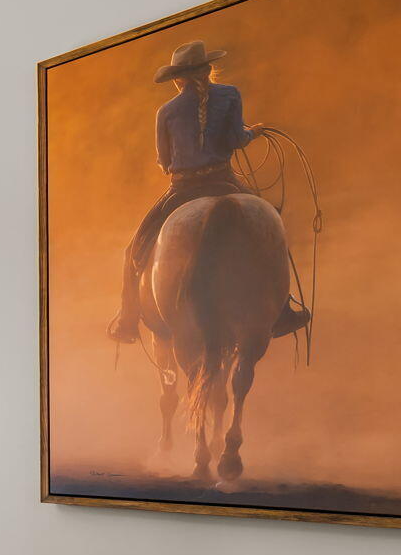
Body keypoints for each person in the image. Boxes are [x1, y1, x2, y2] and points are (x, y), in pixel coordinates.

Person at [109, 39, 309, 342]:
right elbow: (236, 140)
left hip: (183, 188)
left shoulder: (166, 110)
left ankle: (127, 320)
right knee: (271, 228)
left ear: (178, 79)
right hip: (224, 180)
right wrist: (254, 132)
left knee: (133, 250)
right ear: (208, 70)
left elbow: (164, 162)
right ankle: (282, 310)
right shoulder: (230, 95)